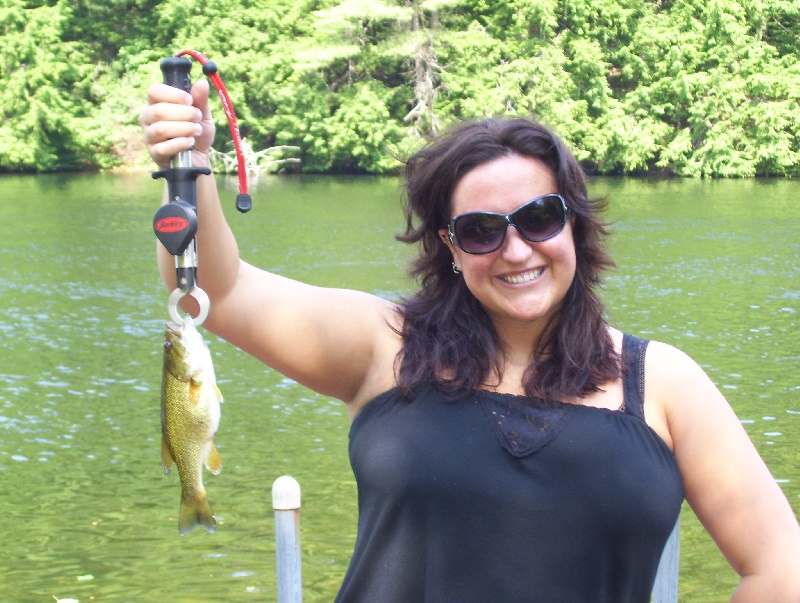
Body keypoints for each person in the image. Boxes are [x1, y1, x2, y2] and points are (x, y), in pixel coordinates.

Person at [140, 79, 800, 602]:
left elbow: (782, 569)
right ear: (450, 249)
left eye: (539, 218)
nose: (517, 249)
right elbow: (216, 293)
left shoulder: (662, 384)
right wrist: (191, 166)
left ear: (575, 226)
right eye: (482, 230)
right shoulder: (383, 347)